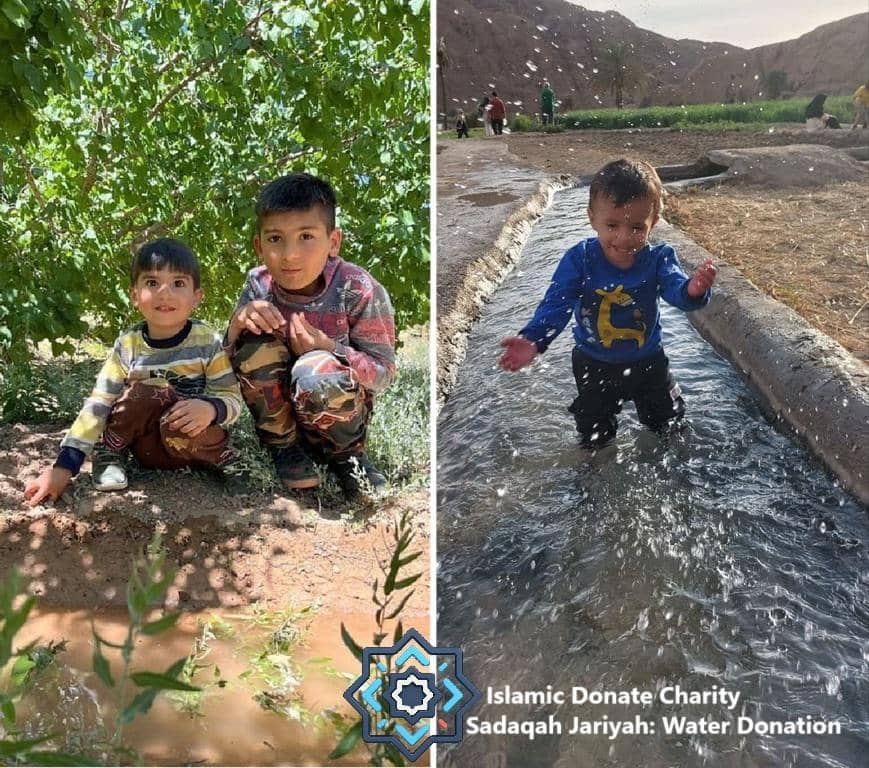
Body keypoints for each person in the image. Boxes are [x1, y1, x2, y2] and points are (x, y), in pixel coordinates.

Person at [499, 159, 717, 451]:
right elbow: (556, 304)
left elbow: (677, 292)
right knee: (594, 438)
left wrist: (692, 289)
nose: (624, 238)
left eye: (637, 227)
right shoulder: (580, 260)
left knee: (671, 425)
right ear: (592, 218)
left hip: (649, 363)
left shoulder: (659, 258)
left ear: (654, 222)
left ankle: (676, 472)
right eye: (612, 225)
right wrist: (534, 339)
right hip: (594, 364)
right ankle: (591, 480)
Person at [24, 239, 243, 507]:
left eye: (178, 283)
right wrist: (63, 468)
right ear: (134, 296)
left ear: (197, 297)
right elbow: (98, 403)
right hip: (146, 447)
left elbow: (232, 399)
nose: (164, 293)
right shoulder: (128, 345)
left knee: (193, 418)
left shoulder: (207, 342)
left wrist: (211, 408)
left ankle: (224, 461)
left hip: (186, 441)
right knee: (150, 391)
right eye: (152, 283)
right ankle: (110, 453)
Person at [225, 173, 395, 497]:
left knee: (316, 366)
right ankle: (284, 447)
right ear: (259, 246)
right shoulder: (257, 285)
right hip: (282, 416)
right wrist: (235, 326)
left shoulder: (358, 289)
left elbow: (383, 375)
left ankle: (347, 458)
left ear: (333, 242)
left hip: (338, 415)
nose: (289, 254)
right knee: (251, 340)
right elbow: (225, 364)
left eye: (306, 236)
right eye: (275, 239)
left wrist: (329, 348)